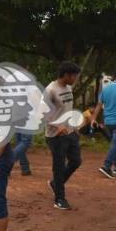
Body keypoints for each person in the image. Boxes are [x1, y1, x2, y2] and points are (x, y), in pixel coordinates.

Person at [45, 62, 82, 211]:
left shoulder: (69, 88)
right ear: (66, 75)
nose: (75, 78)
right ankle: (59, 198)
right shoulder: (50, 90)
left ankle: (56, 184)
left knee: (76, 161)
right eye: (73, 75)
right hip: (56, 135)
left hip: (70, 132)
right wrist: (57, 125)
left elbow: (68, 109)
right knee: (59, 166)